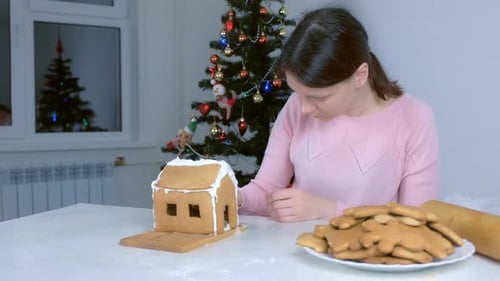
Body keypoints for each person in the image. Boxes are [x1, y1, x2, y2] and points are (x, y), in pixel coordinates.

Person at [237, 7, 439, 222]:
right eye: (297, 93)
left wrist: (328, 210)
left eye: (319, 98)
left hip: (365, 254)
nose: (303, 108)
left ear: (360, 75)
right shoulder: (298, 106)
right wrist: (235, 198)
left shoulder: (414, 118)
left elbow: (417, 222)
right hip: (294, 250)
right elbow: (266, 190)